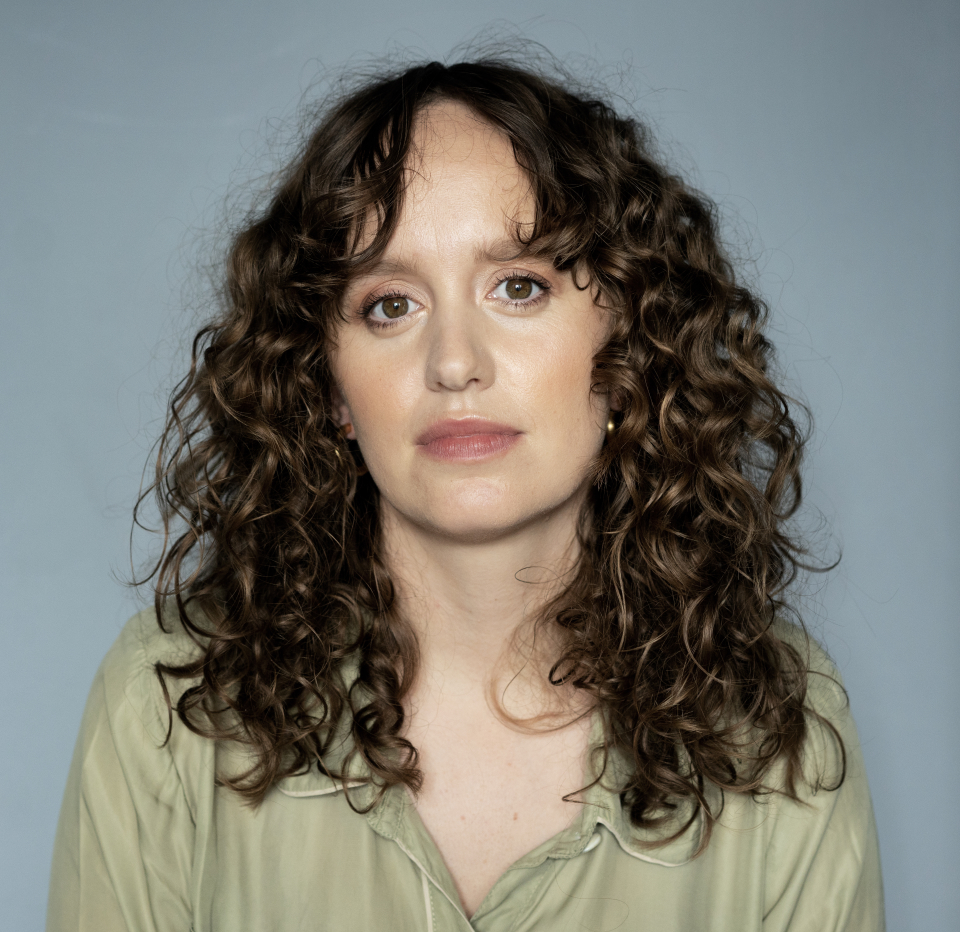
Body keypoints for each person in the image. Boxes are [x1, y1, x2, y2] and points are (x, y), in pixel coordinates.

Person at [46, 56, 885, 931]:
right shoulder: (166, 708)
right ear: (329, 385)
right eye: (389, 304)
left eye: (518, 287)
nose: (454, 362)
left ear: (630, 348)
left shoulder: (781, 729)